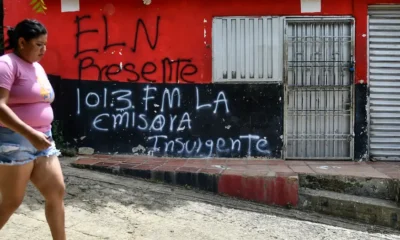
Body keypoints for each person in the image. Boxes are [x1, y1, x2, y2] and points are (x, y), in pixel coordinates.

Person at [0, 19, 66, 240]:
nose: (44, 50)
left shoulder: (36, 67)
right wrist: (30, 133)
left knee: (56, 191)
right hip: (15, 140)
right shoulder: (6, 64)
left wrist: (39, 134)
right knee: (12, 201)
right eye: (39, 44)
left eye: (45, 44)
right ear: (21, 42)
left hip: (43, 139)